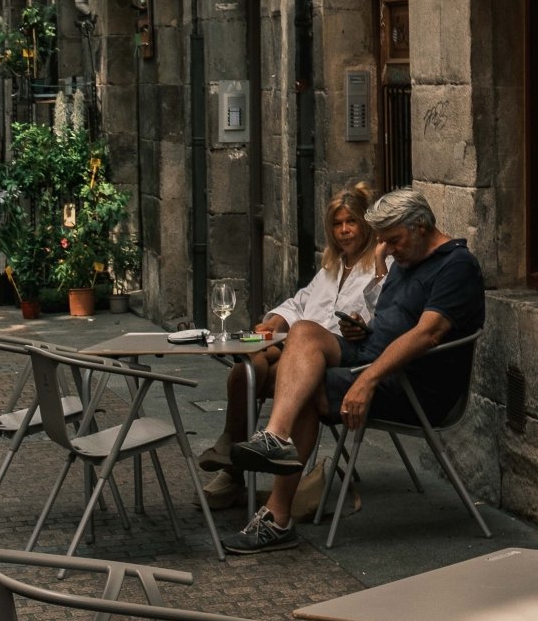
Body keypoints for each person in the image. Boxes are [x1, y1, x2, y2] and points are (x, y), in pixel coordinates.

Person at [224, 186, 485, 554]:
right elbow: (388, 320)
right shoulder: (406, 260)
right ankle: (275, 436)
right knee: (303, 332)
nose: (389, 250)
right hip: (371, 354)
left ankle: (277, 518)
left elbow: (427, 334)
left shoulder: (456, 266)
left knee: (311, 391)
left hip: (411, 385)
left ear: (422, 226)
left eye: (393, 240)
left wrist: (367, 379)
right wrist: (361, 326)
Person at [197, 181, 387, 510]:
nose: (344, 231)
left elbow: (386, 314)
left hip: (338, 359)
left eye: (351, 222)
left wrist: (362, 325)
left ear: (365, 224)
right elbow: (300, 303)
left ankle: (232, 461)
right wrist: (277, 321)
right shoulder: (332, 267)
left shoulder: (380, 266)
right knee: (253, 361)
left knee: (250, 373)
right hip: (299, 352)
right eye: (337, 224)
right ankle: (233, 460)